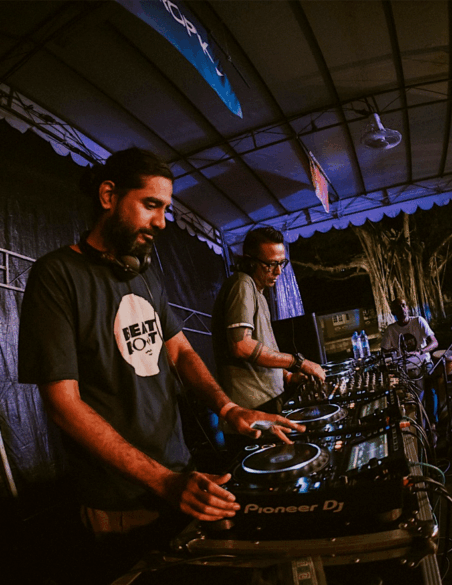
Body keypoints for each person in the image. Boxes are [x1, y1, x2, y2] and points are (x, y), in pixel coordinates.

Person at [17, 148, 303, 577]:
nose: (162, 221)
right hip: (121, 504)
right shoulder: (56, 275)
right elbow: (63, 404)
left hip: (180, 481)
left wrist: (228, 408)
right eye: (151, 204)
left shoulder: (145, 274)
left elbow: (181, 351)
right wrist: (161, 481)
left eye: (166, 208)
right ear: (108, 195)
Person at [212, 227, 326, 420]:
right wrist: (298, 362)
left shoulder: (259, 294)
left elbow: (263, 348)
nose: (278, 271)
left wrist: (287, 376)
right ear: (249, 262)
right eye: (271, 264)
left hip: (267, 402)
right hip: (252, 409)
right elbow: (241, 345)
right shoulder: (242, 284)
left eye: (282, 263)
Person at [381, 298, 439, 431]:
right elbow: (384, 352)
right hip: (404, 368)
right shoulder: (391, 330)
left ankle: (433, 424)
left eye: (403, 306)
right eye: (398, 308)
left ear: (407, 307)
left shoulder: (418, 321)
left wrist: (421, 351)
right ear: (393, 312)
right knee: (404, 398)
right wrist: (393, 353)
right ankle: (415, 426)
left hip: (423, 362)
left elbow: (435, 342)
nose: (402, 310)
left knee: (430, 387)